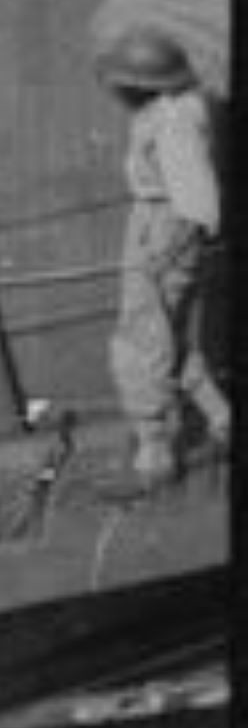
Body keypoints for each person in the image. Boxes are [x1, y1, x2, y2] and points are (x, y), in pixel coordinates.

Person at [99, 27, 230, 491]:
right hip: (161, 226)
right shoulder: (178, 108)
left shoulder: (172, 121)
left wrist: (167, 250)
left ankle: (154, 456)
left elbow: (194, 196)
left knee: (141, 341)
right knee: (171, 338)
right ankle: (221, 419)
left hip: (161, 229)